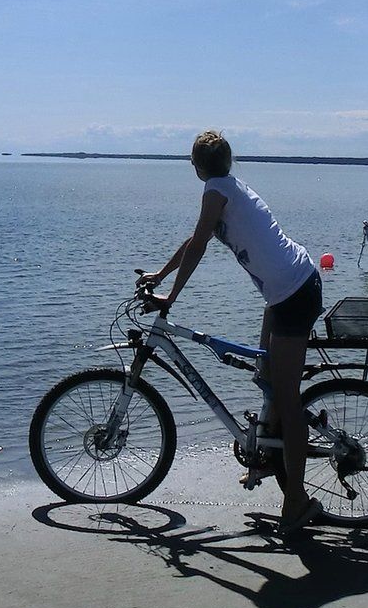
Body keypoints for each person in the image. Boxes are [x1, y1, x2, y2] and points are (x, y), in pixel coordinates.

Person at [138, 129, 325, 533]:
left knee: (287, 400)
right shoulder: (227, 187)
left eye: (191, 160)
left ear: (197, 165)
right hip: (286, 291)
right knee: (267, 378)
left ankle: (296, 501)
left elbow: (201, 245)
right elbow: (194, 238)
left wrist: (170, 296)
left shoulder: (217, 191)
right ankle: (265, 459)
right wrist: (161, 272)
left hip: (294, 294)